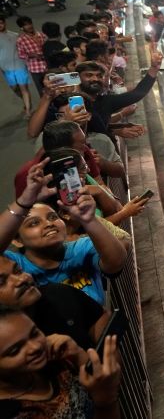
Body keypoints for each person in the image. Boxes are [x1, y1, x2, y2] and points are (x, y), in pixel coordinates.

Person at [1, 160, 128, 305]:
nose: (48, 224)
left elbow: (116, 262)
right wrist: (24, 202)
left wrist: (89, 220)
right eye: (34, 223)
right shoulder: (16, 266)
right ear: (17, 240)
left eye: (53, 217)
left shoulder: (80, 249)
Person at [0, 308, 122, 418]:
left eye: (34, 333)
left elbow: (96, 384)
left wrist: (78, 355)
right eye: (15, 350)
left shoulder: (53, 360)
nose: (36, 346)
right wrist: (106, 402)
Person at [0, 256, 109, 349]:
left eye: (18, 271)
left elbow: (102, 321)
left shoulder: (59, 294)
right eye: (2, 282)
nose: (22, 279)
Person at [77, 50, 161, 139]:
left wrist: (154, 68)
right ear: (77, 78)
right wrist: (117, 130)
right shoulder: (72, 102)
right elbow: (83, 131)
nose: (95, 79)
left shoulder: (106, 101)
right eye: (89, 75)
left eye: (99, 76)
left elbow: (137, 93)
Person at [0, 16, 32, 116]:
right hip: (6, 68)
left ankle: (28, 110)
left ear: (5, 23)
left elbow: (24, 49)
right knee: (14, 88)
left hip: (20, 66)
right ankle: (26, 104)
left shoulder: (15, 35)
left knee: (24, 89)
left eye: (1, 22)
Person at [15, 16, 48, 95]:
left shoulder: (41, 35)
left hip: (47, 65)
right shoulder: (21, 40)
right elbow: (21, 55)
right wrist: (30, 55)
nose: (29, 26)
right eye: (26, 25)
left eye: (30, 23)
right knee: (42, 90)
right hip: (35, 69)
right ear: (22, 28)